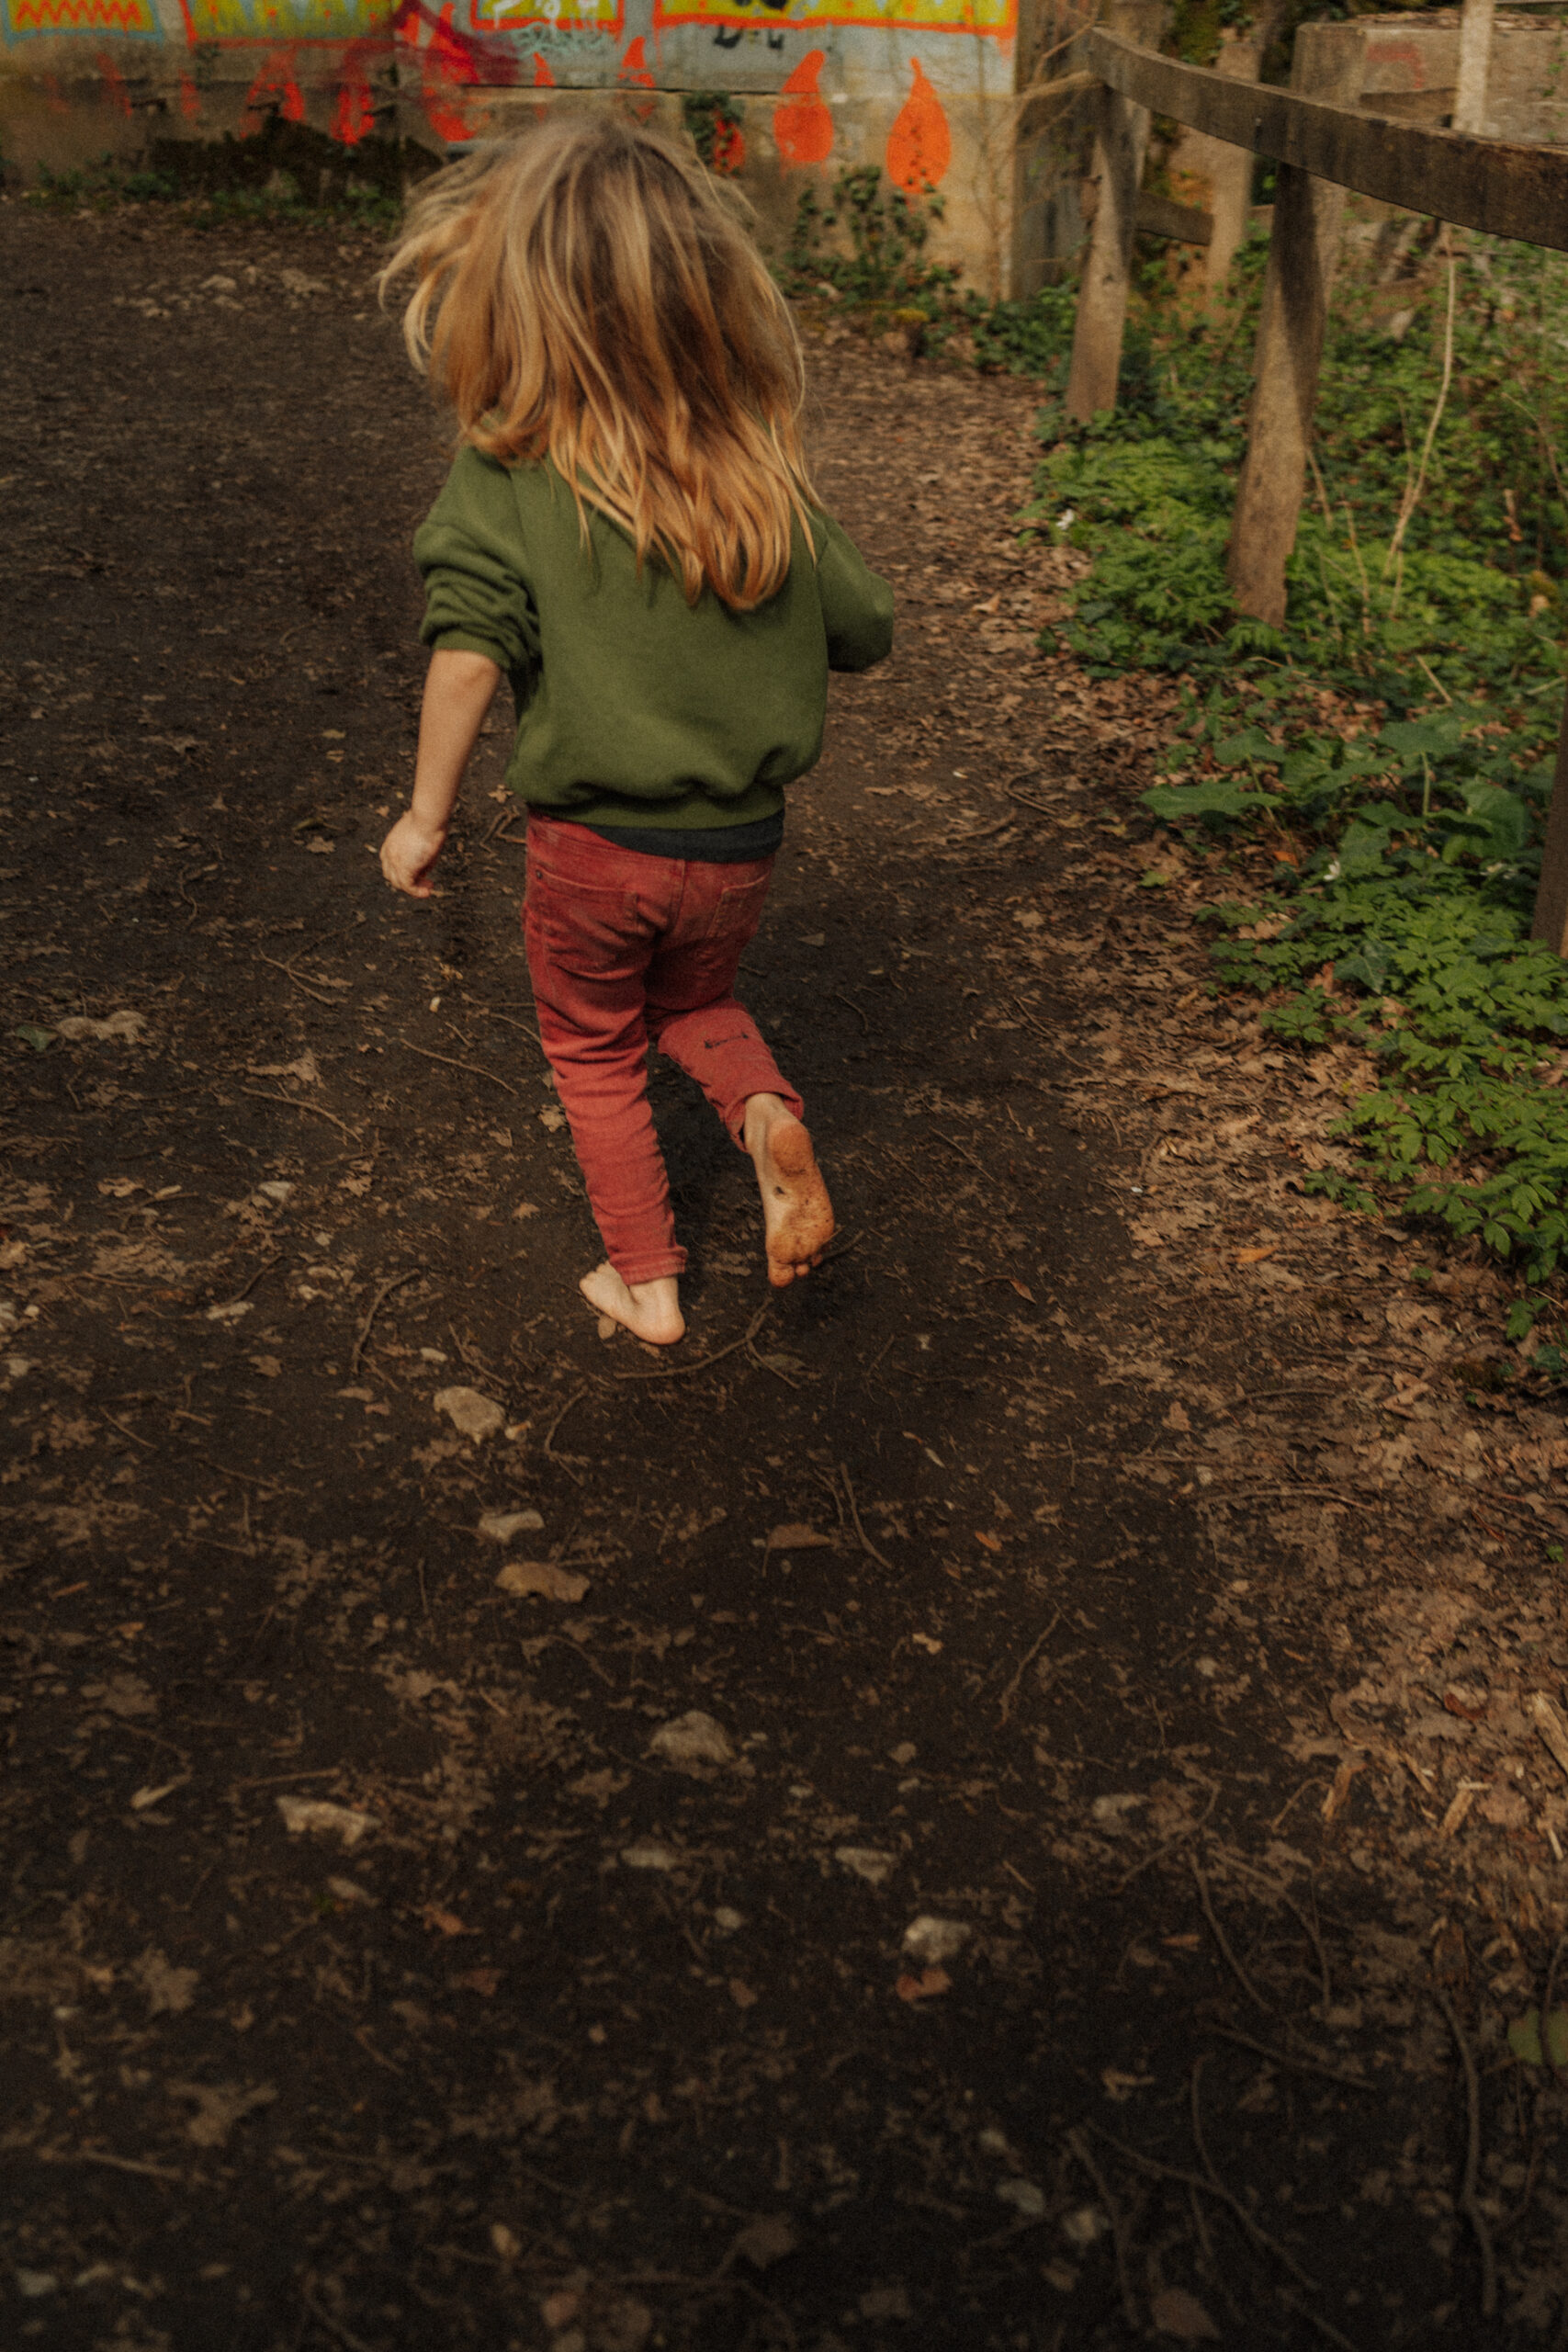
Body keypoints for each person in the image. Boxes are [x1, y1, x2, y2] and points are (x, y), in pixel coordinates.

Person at [376, 115, 894, 1347]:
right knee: (696, 1002)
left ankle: (646, 1283)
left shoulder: (511, 467)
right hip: (738, 847)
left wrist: (424, 816)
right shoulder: (756, 465)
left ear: (511, 294)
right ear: (708, 293)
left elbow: (468, 654)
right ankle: (765, 1117)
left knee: (594, 1049)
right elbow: (866, 627)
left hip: (594, 851)